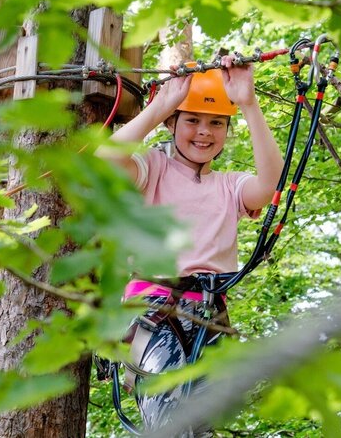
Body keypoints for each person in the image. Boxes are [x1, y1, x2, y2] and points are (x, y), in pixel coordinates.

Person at [100, 56, 283, 433]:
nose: (204, 132)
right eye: (192, 120)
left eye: (216, 123)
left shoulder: (229, 186)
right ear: (172, 124)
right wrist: (162, 105)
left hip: (210, 317)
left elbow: (270, 185)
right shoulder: (150, 169)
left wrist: (248, 104)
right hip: (154, 311)